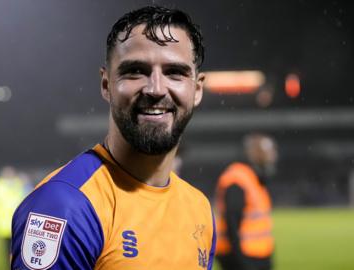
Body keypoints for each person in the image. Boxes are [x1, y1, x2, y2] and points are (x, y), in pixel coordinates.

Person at [11, 6, 215, 270]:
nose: (155, 89)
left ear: (197, 89)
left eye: (174, 72)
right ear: (106, 85)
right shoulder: (64, 207)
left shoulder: (198, 207)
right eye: (136, 71)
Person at [215, 134, 277, 270]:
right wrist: (241, 261)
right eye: (267, 151)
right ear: (254, 154)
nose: (272, 156)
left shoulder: (253, 178)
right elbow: (231, 222)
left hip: (256, 253)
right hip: (243, 256)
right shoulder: (238, 179)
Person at [0, 166, 30, 262]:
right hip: (4, 225)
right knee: (8, 249)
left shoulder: (20, 184)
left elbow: (28, 197)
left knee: (21, 249)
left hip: (19, 224)